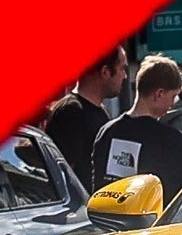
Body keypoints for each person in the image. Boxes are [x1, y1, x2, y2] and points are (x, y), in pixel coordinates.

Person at [93, 56, 182, 200]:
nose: (172, 104)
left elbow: (97, 188)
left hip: (110, 219)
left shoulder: (106, 131)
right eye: (173, 97)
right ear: (159, 94)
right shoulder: (171, 140)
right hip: (157, 220)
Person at [41, 51, 126, 180]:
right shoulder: (71, 112)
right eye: (122, 69)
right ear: (105, 72)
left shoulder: (99, 111)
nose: (125, 76)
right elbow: (63, 174)